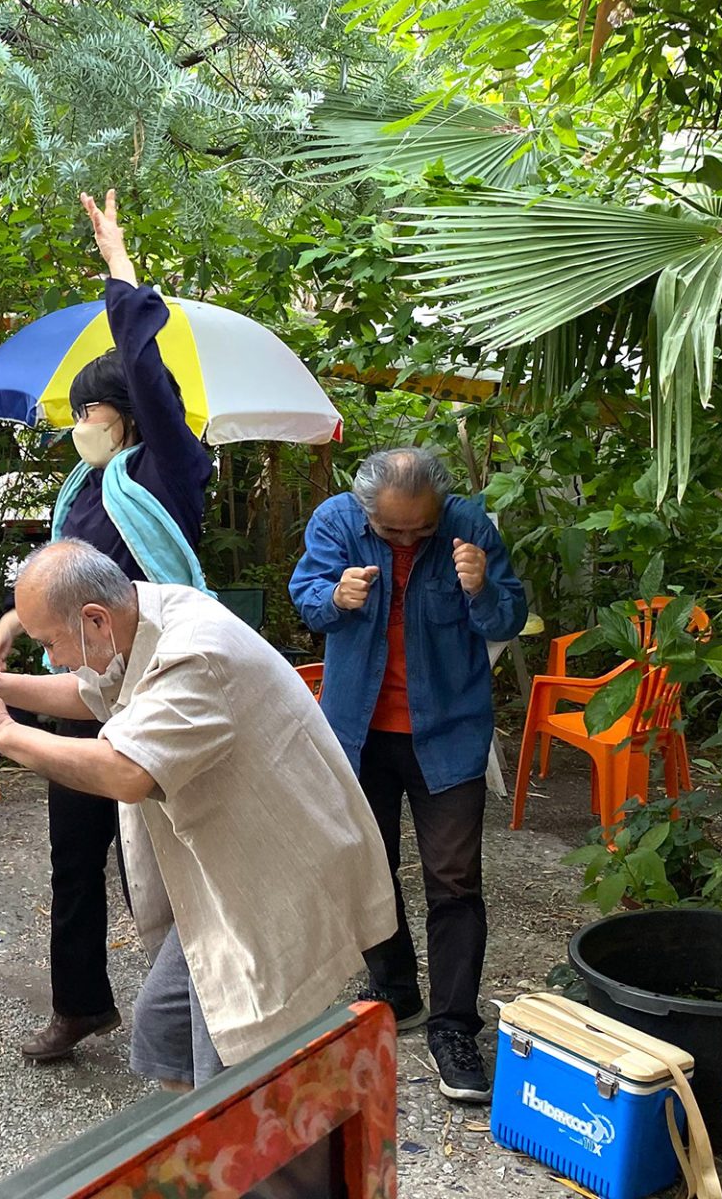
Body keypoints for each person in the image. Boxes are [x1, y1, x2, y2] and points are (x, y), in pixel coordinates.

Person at [0, 540, 394, 1092]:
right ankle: (194, 1158)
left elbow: (126, 773)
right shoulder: (139, 618)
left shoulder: (194, 652)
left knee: (230, 1067)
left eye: (50, 643)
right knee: (163, 1032)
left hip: (277, 869)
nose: (53, 657)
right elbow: (95, 694)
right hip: (227, 870)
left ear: (93, 619)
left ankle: (233, 1166)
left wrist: (2, 731)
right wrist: (2, 685)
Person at [0, 189, 215, 1065]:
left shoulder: (170, 470)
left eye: (90, 412)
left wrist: (121, 270)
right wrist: (7, 631)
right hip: (80, 687)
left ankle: (196, 1005)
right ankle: (81, 1005)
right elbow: (59, 574)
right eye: (76, 414)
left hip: (155, 685)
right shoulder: (84, 494)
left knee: (161, 859)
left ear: (126, 416)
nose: (79, 426)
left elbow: (149, 373)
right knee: (73, 853)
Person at [287, 446, 528, 1106]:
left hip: (447, 734)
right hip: (358, 734)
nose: (407, 540)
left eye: (420, 530)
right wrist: (332, 595)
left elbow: (509, 617)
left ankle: (454, 1028)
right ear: (369, 511)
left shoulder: (470, 525)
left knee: (455, 883)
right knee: (369, 867)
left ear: (439, 511)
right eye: (393, 531)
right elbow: (306, 601)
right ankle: (395, 985)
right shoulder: (337, 521)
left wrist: (482, 588)